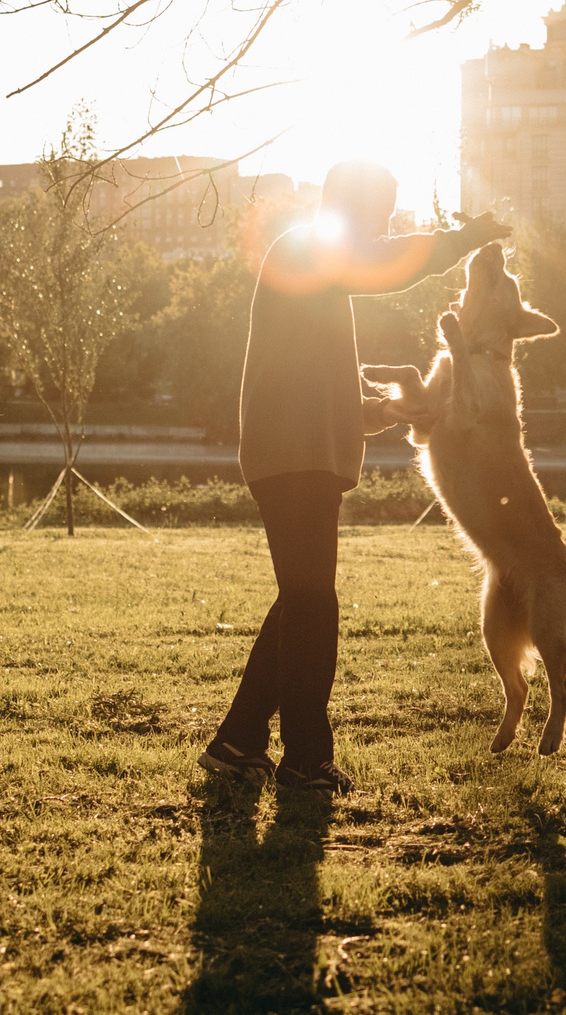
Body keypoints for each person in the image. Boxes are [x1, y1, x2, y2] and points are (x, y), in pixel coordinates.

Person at [201, 160, 509, 794]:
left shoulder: (320, 274)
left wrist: (387, 412)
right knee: (313, 604)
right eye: (381, 216)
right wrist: (462, 240)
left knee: (300, 602)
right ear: (353, 207)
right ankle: (306, 762)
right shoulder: (308, 249)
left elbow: (321, 387)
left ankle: (238, 742)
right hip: (293, 459)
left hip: (301, 454)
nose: (385, 229)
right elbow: (383, 263)